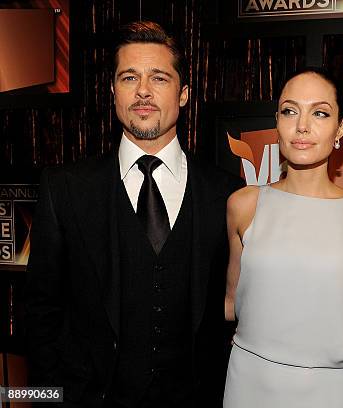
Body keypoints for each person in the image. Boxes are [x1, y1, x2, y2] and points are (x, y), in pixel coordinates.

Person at [24, 21, 242, 407]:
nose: (143, 90)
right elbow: (42, 313)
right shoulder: (65, 187)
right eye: (129, 77)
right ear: (112, 92)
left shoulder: (226, 192)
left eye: (159, 77)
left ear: (185, 93)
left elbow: (238, 310)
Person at [223, 67, 343, 408]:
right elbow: (232, 302)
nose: (302, 126)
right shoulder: (244, 204)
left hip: (333, 391)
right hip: (250, 383)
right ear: (277, 122)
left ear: (340, 128)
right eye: (290, 111)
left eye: (320, 112)